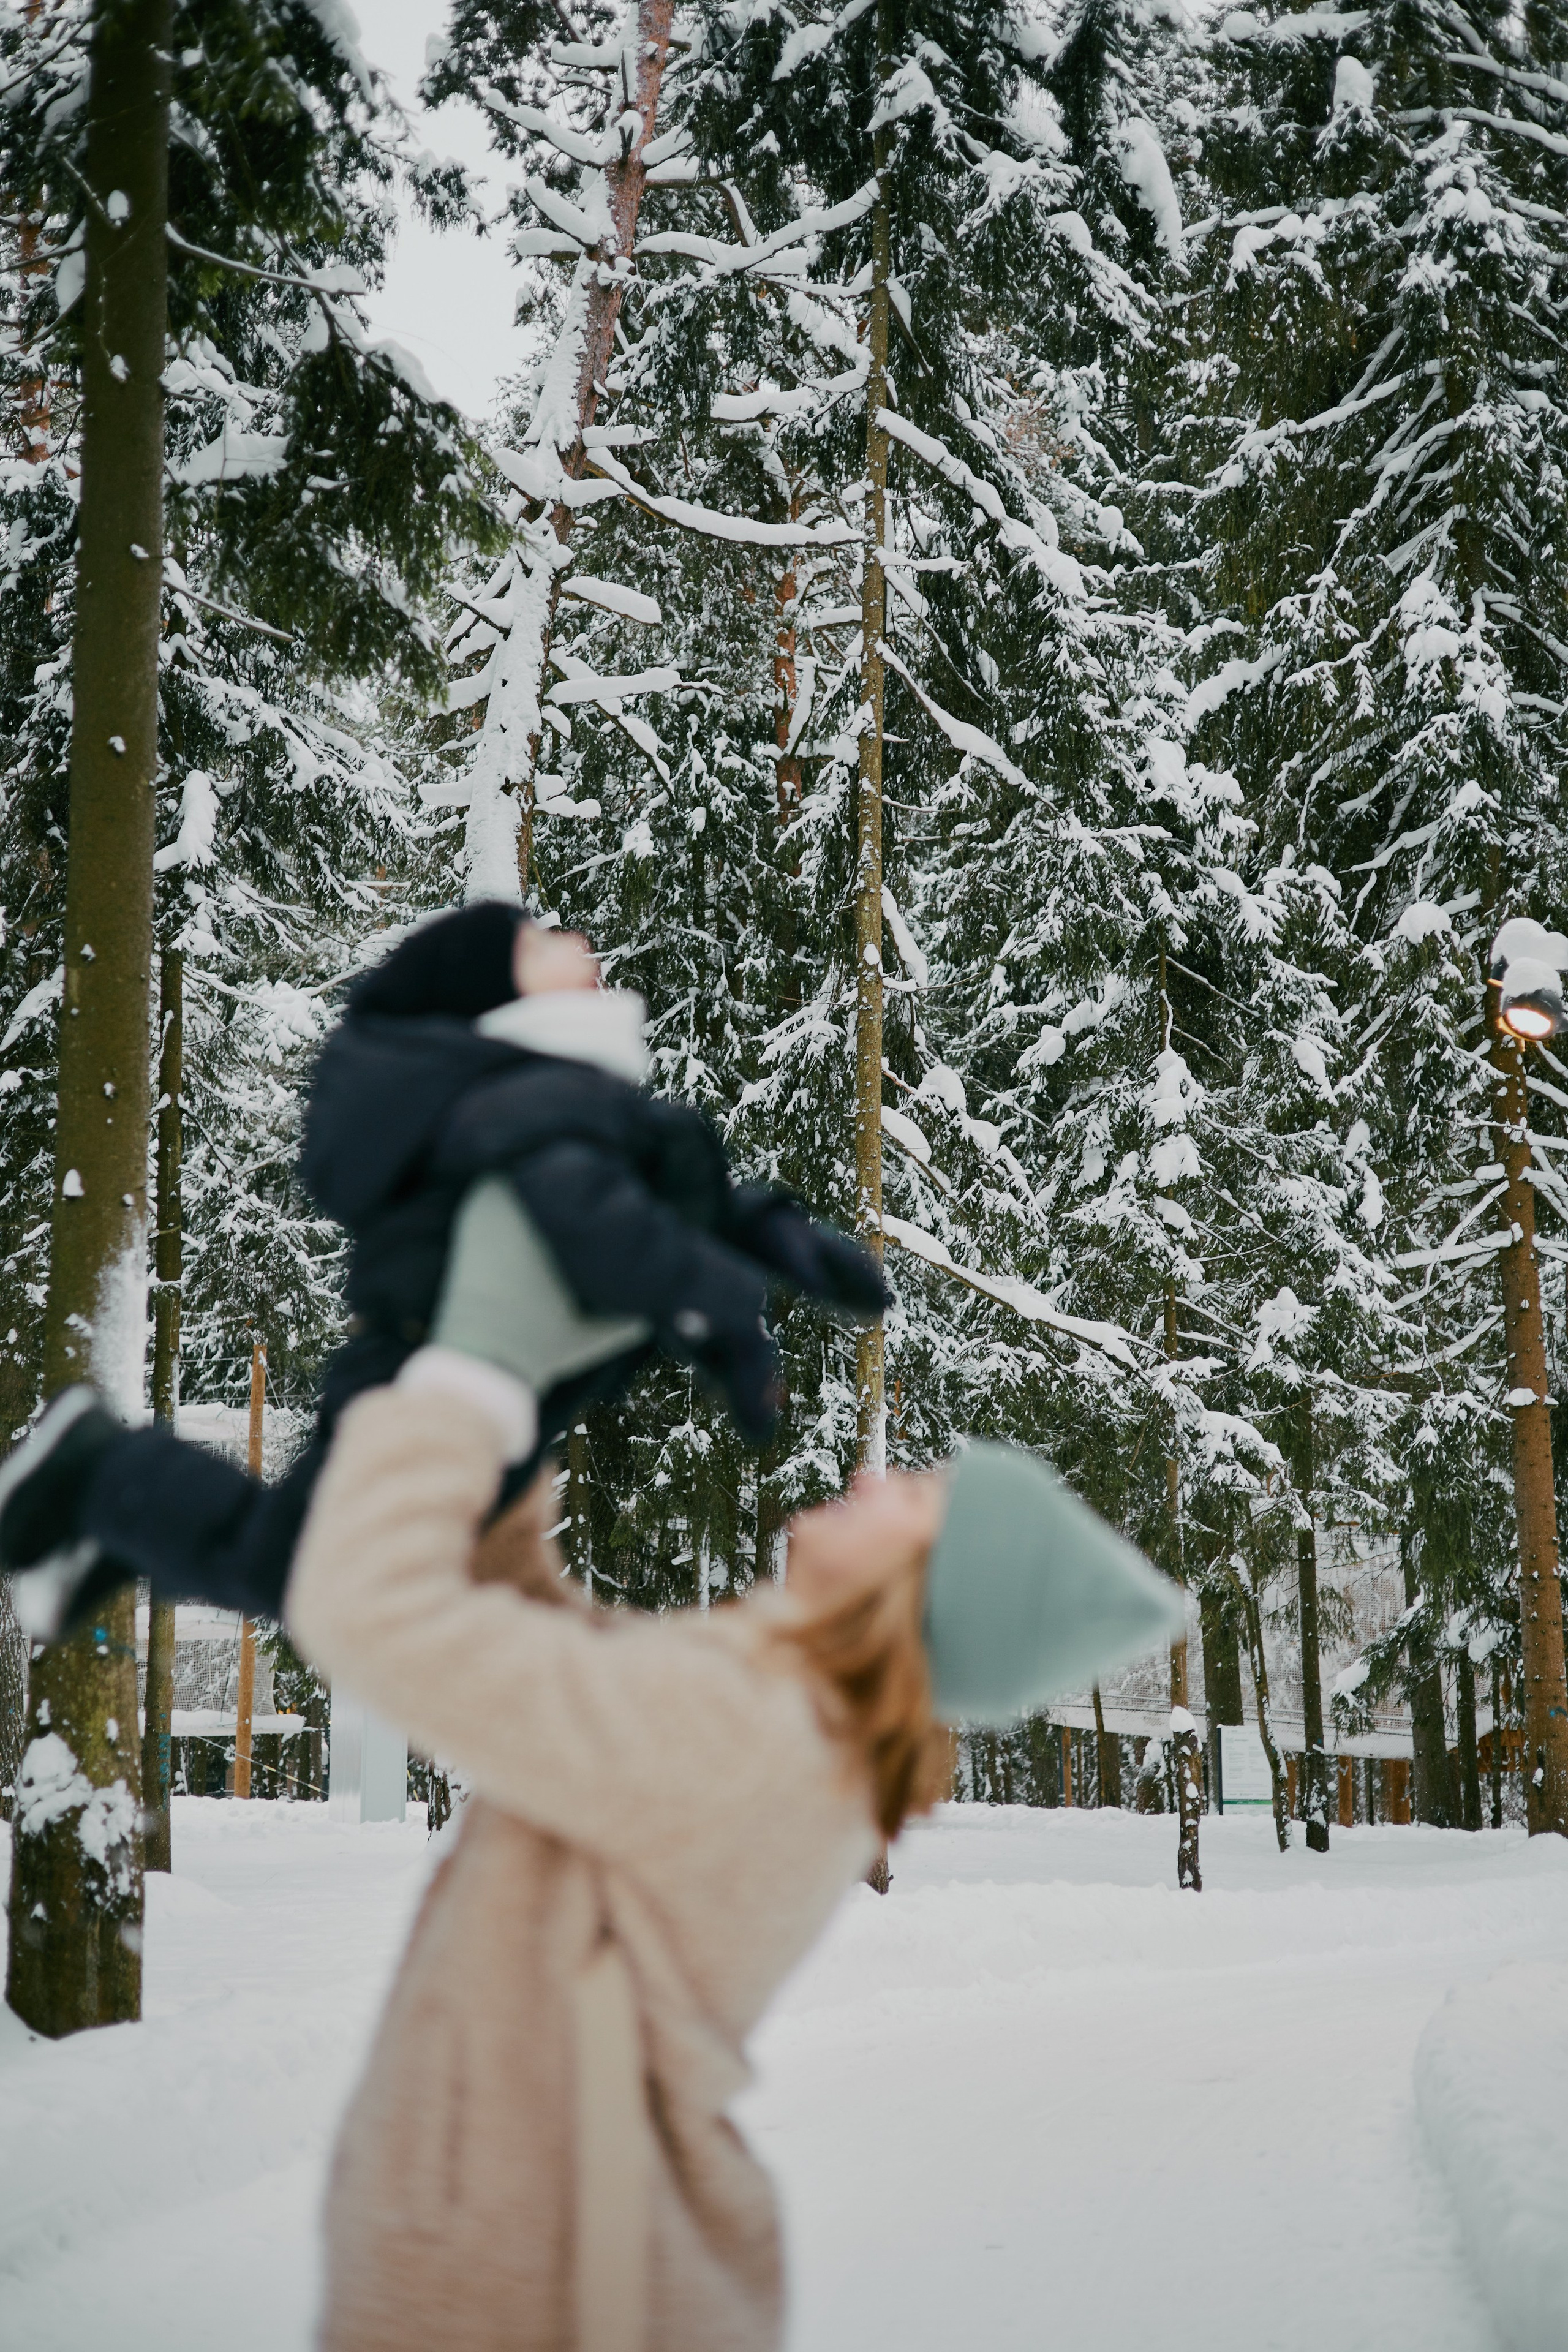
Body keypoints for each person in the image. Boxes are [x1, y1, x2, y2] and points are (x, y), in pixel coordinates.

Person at [284, 1182, 1182, 2352]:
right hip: (530, 2242)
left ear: (920, 1595)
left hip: (526, 2276)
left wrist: (480, 1370)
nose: (872, 1479)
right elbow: (541, 1643)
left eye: (911, 1496)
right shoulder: (774, 1709)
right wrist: (528, 1394)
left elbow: (371, 1614)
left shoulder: (751, 1732)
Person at [0, 902, 886, 1640]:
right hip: (422, 1384)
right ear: (492, 1002)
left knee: (331, 1581)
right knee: (304, 1577)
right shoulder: (524, 1100)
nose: (580, 944)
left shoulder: (566, 1100)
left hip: (496, 1396)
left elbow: (676, 1202)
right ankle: (104, 1474)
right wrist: (728, 1315)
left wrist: (788, 1244)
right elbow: (596, 1221)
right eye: (539, 943)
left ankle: (118, 1524)